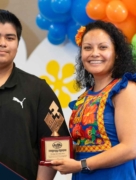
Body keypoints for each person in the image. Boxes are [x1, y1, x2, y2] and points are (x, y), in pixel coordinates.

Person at [0, 9, 70, 180]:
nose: (2, 43)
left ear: (17, 44)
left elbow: (56, 145)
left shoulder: (38, 90)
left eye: (10, 38)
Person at [50, 20, 136, 179]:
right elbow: (84, 146)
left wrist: (80, 165)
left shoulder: (126, 89)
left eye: (103, 47)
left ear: (116, 53)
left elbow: (131, 148)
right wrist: (55, 149)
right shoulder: (84, 97)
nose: (94, 53)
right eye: (87, 48)